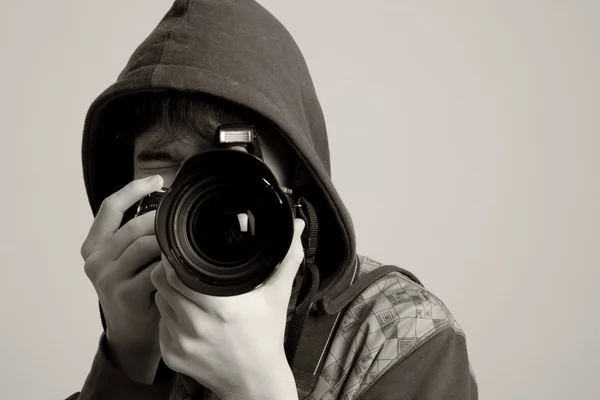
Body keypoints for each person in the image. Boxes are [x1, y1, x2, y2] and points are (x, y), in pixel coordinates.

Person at [69, 1, 478, 399]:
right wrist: (126, 357)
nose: (200, 193)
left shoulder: (401, 334)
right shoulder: (144, 318)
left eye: (228, 166)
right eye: (164, 164)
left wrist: (257, 387)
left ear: (297, 170)